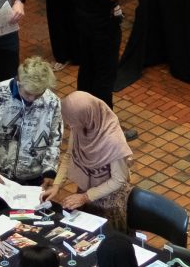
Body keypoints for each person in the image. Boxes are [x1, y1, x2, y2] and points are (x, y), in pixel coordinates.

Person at [0, 57, 64, 217]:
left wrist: (50, 170)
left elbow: (54, 139)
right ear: (18, 80)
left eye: (38, 94)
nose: (32, 99)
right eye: (28, 93)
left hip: (35, 180)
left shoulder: (52, 102)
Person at [51, 91, 132, 230]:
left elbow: (119, 180)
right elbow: (70, 155)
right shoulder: (81, 126)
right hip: (86, 191)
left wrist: (85, 197)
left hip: (109, 203)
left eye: (73, 123)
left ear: (86, 117)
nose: (71, 127)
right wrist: (56, 185)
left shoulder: (113, 141)